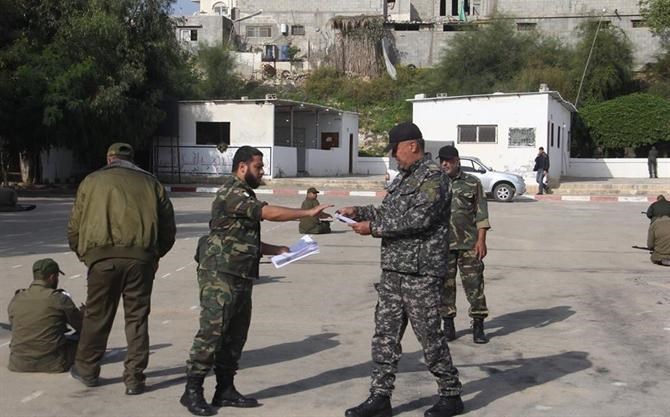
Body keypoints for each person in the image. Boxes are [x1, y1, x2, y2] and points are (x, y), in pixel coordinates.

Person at [181, 146, 332, 417]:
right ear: (242, 167)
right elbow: (267, 213)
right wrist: (307, 213)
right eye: (258, 167)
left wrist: (277, 250)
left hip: (240, 273)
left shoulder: (244, 193)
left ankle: (225, 389)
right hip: (220, 273)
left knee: (236, 334)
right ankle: (192, 390)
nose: (262, 172)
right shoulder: (232, 192)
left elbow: (240, 238)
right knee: (213, 332)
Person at [338, 122, 463, 417]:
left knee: (429, 336)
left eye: (395, 150)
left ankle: (451, 394)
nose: (393, 156)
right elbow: (389, 213)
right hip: (394, 271)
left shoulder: (434, 179)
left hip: (421, 274)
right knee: (385, 336)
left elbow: (419, 219)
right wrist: (359, 212)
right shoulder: (404, 179)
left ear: (412, 146)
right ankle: (380, 397)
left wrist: (373, 228)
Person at [67, 143, 176, 395]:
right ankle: (134, 378)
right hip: (141, 260)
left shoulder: (92, 181)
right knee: (136, 319)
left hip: (102, 259)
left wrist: (87, 255)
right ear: (132, 159)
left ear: (109, 158)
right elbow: (168, 229)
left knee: (96, 316)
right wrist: (153, 255)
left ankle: (87, 370)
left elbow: (74, 225)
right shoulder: (152, 183)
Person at [437, 146, 491, 344]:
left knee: (475, 285)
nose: (445, 164)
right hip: (442, 245)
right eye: (442, 160)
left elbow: (481, 214)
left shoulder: (472, 182)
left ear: (457, 161)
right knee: (445, 287)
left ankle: (478, 324)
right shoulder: (435, 183)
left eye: (449, 160)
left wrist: (481, 240)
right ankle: (448, 324)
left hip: (469, 245)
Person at [7, 258, 83, 373]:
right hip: (53, 363)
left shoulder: (17, 298)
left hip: (18, 363)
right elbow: (83, 327)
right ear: (52, 277)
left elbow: (15, 326)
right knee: (88, 340)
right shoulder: (59, 298)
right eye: (57, 277)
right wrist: (85, 314)